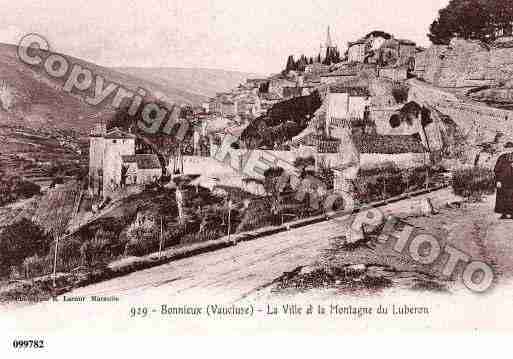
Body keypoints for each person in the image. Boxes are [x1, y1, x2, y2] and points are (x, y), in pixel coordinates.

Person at [494, 142, 513, 219]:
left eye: (510, 148)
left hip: (512, 181)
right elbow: (496, 169)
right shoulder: (501, 157)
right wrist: (498, 181)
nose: (509, 149)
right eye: (507, 148)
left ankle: (512, 214)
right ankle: (504, 214)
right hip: (503, 181)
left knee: (512, 197)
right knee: (502, 197)